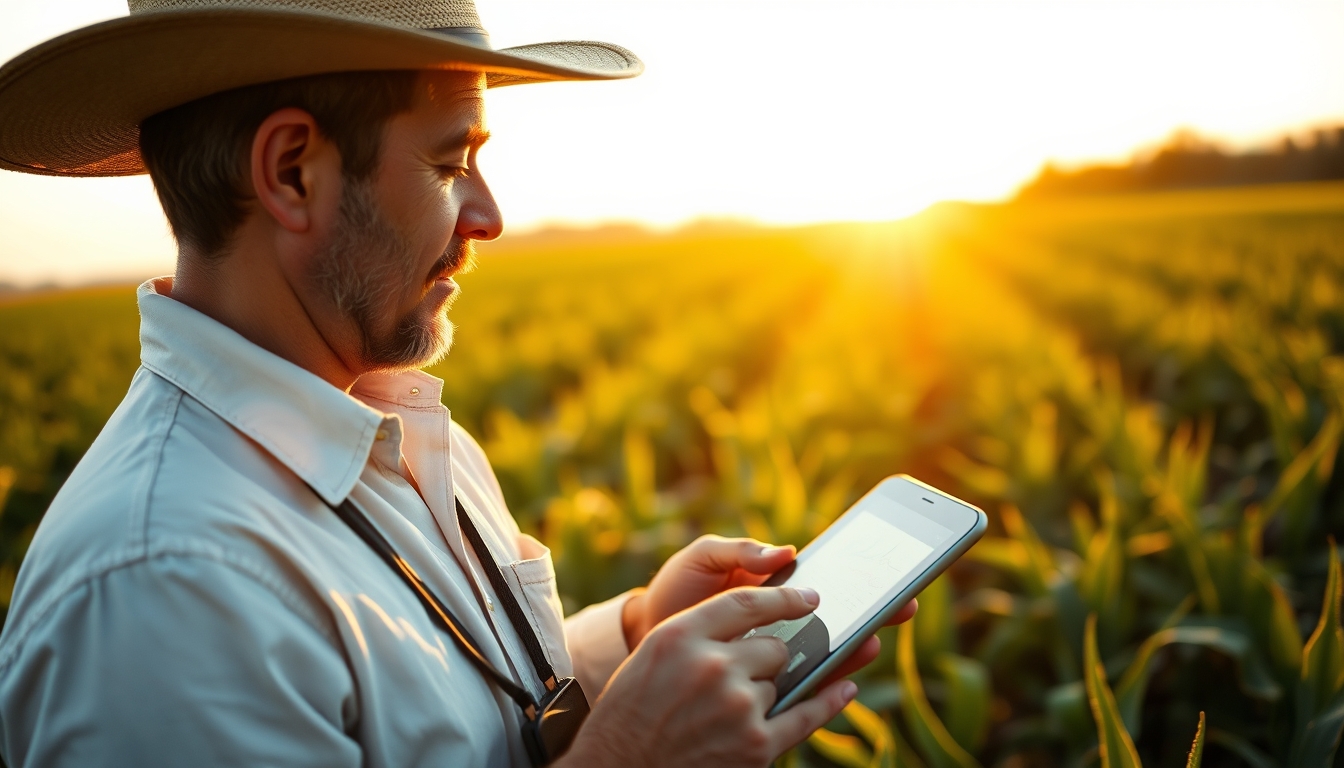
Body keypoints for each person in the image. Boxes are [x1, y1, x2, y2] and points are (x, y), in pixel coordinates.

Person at [0, 1, 916, 765]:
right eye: (448, 162)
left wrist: (633, 635)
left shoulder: (397, 431)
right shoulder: (165, 589)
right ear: (292, 173)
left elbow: (463, 721)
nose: (489, 215)